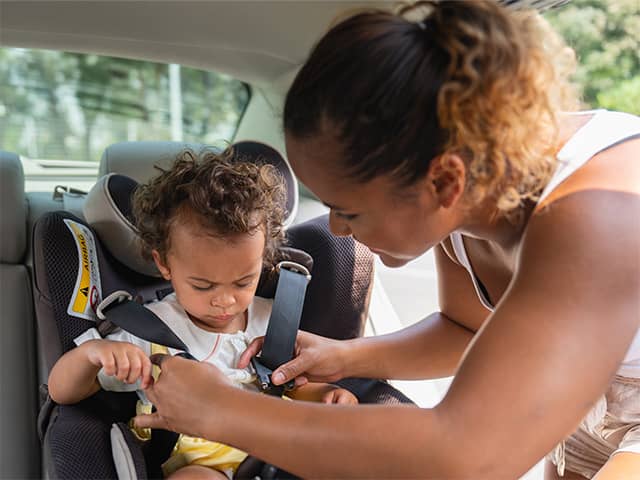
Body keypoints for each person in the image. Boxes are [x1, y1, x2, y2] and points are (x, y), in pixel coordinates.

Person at [133, 1, 640, 478]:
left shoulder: (604, 209)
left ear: (443, 181)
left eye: (348, 209)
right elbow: (467, 329)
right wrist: (340, 357)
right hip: (588, 393)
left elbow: (465, 455)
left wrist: (221, 409)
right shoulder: (461, 200)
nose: (334, 228)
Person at [47, 149, 358, 480]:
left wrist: (325, 396)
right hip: (202, 463)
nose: (224, 301)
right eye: (203, 286)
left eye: (243, 281)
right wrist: (94, 355)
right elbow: (61, 392)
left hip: (279, 447)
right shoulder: (149, 330)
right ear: (164, 264)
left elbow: (288, 387)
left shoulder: (273, 320)